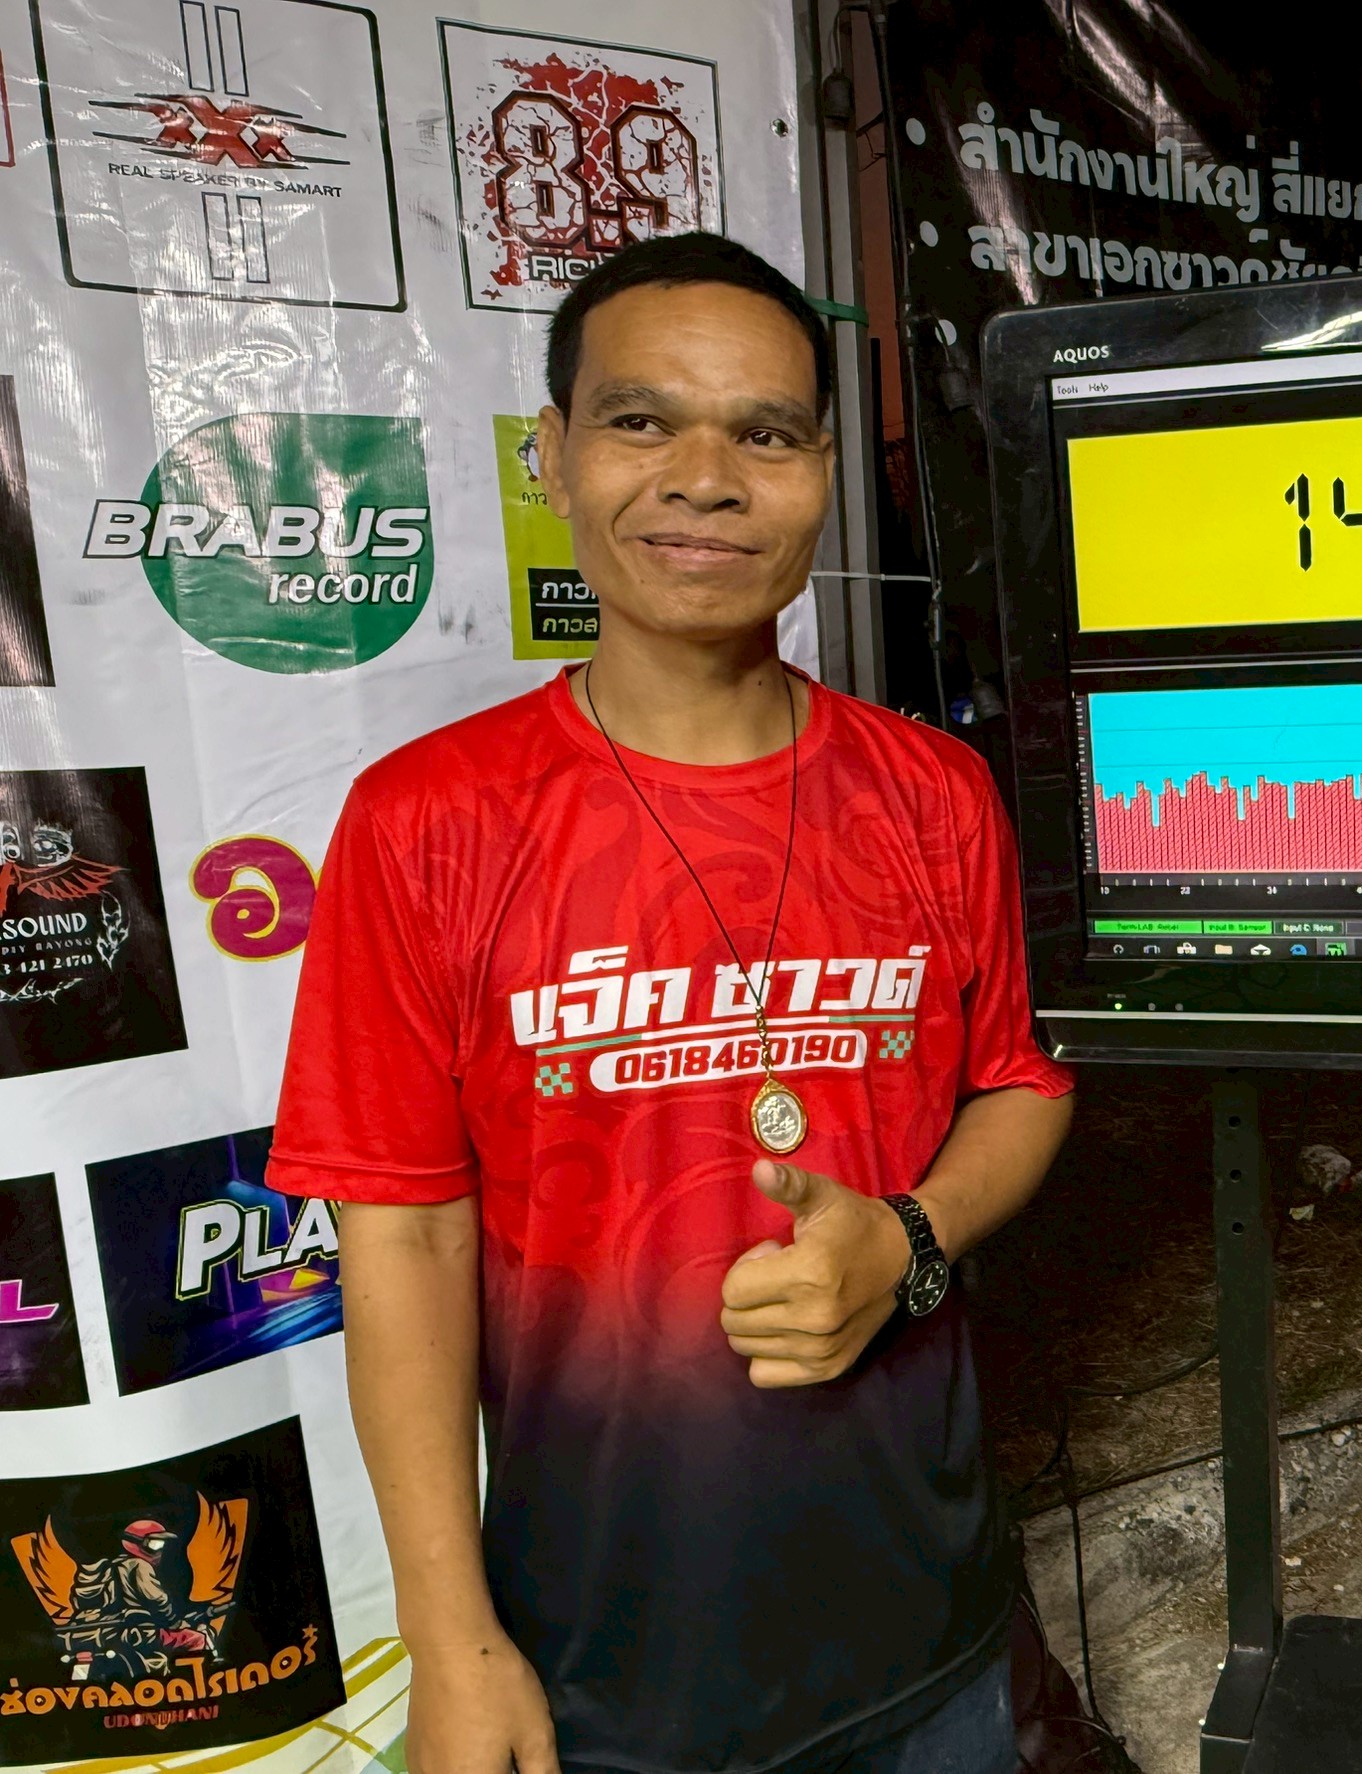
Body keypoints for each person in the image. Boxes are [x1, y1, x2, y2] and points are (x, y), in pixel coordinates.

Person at [269, 232, 1074, 1774]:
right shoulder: (425, 822)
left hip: (935, 1635)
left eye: (767, 433)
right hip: (603, 1670)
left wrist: (906, 1236)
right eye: (642, 421)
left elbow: (1023, 1080)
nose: (706, 478)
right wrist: (451, 1641)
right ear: (554, 454)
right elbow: (408, 1238)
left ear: (825, 471)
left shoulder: (935, 791)